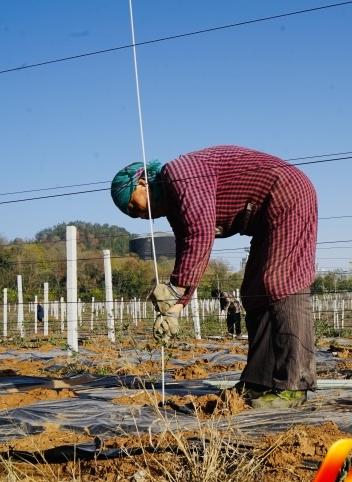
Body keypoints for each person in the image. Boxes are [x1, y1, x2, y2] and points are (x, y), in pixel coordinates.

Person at [111, 145, 318, 408]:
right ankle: (260, 380)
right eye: (131, 214)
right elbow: (189, 250)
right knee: (255, 290)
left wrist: (175, 287)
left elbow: (200, 232)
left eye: (133, 204)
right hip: (267, 212)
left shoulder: (177, 174)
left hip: (287, 194)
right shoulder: (176, 207)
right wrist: (176, 307)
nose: (139, 215)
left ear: (143, 183)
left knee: (281, 282)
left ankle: (291, 386)